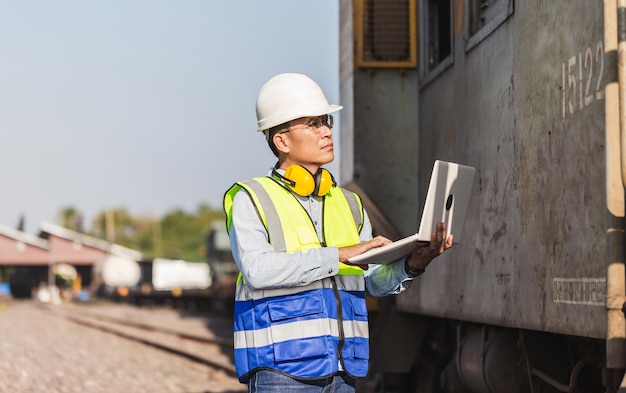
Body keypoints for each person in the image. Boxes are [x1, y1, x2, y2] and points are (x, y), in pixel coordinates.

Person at [223, 72, 453, 392]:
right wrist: (340, 254)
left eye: (326, 121)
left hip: (343, 370)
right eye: (313, 124)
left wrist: (413, 264)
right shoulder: (251, 199)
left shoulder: (348, 203)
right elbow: (258, 271)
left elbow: (369, 281)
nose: (327, 131)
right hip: (282, 371)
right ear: (282, 140)